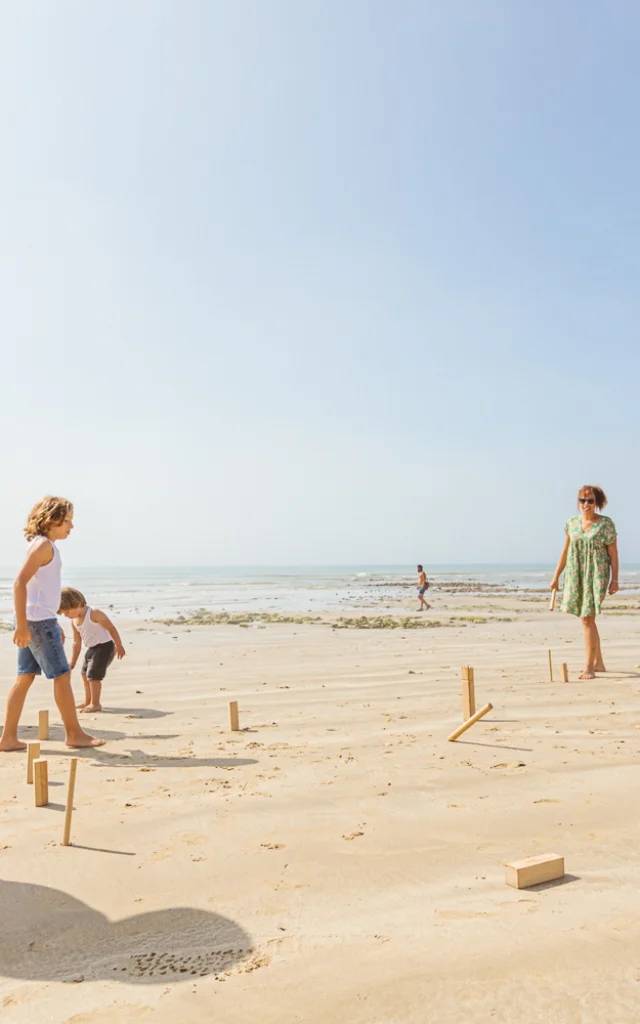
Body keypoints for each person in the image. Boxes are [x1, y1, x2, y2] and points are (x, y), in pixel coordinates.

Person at [0, 497, 105, 751]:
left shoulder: (44, 546)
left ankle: (8, 738)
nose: (72, 526)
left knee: (24, 678)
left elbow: (40, 592)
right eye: (67, 520)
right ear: (50, 521)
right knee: (62, 675)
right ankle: (73, 733)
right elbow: (19, 584)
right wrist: (24, 626)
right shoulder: (43, 546)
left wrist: (50, 622)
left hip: (37, 620)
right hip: (36, 623)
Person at [551, 485, 619, 680]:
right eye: (582, 500)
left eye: (590, 500)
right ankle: (599, 663)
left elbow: (613, 553)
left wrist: (615, 579)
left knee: (587, 618)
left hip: (597, 574)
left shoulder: (606, 524)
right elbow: (565, 551)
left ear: (596, 503)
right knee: (588, 618)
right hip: (576, 573)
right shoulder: (572, 523)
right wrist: (556, 577)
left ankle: (588, 667)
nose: (585, 504)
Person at [58, 588, 126, 712]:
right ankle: (87, 701)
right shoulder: (74, 622)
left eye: (67, 612)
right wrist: (72, 662)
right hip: (92, 648)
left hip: (105, 647)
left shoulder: (94, 613)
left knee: (93, 676)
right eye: (64, 614)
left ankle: (95, 704)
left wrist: (119, 645)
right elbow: (76, 643)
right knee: (84, 674)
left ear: (77, 604)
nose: (66, 616)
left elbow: (111, 628)